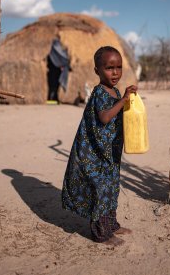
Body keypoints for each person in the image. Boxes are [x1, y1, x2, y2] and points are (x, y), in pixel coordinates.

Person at [61, 46, 137, 246]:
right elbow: (104, 117)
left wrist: (128, 101)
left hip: (109, 153)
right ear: (97, 71)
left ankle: (112, 224)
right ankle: (100, 233)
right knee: (101, 189)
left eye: (119, 67)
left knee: (112, 187)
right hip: (93, 153)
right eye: (109, 68)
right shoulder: (99, 93)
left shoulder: (116, 90)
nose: (115, 72)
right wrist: (123, 100)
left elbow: (120, 114)